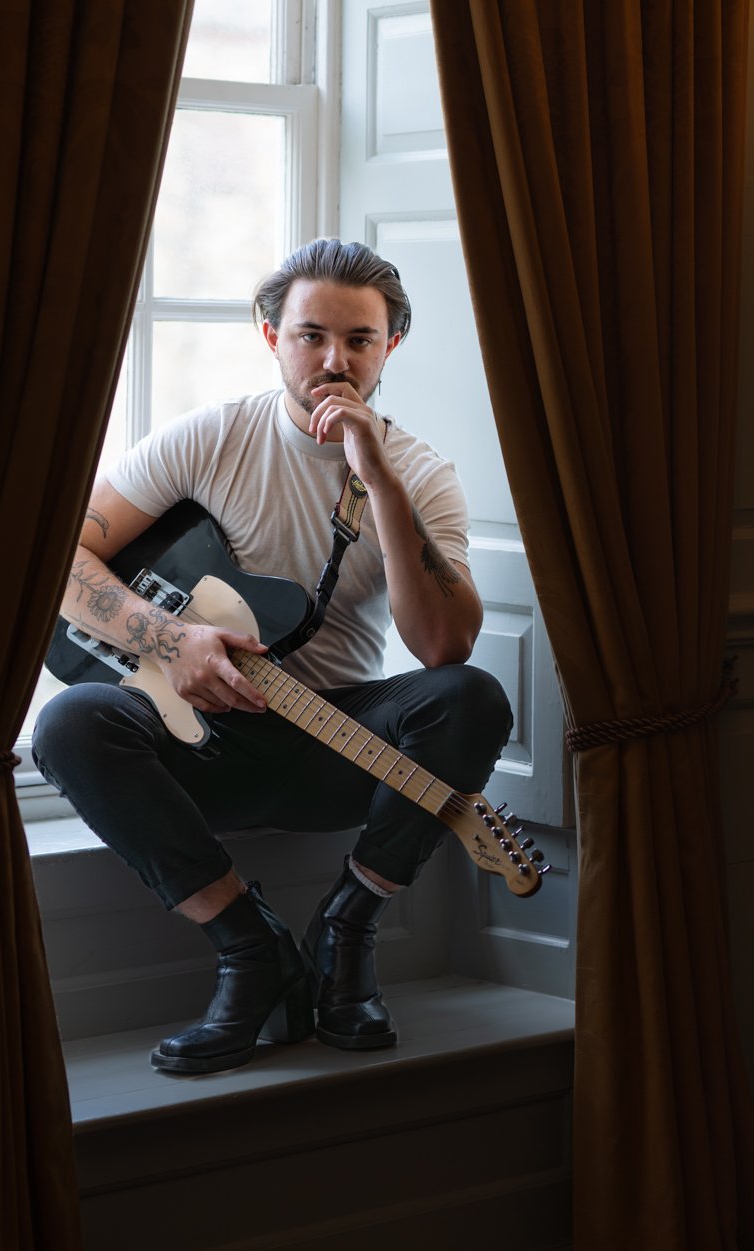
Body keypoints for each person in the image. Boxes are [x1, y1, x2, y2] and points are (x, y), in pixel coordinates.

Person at [33, 239, 512, 1074]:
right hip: (202, 746)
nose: (334, 361)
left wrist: (381, 480)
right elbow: (63, 564)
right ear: (270, 336)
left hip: (334, 747)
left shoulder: (424, 475)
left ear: (390, 347)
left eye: (359, 340)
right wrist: (168, 638)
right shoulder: (211, 438)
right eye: (310, 336)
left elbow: (444, 647)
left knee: (470, 698)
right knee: (72, 722)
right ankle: (252, 952)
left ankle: (347, 930)